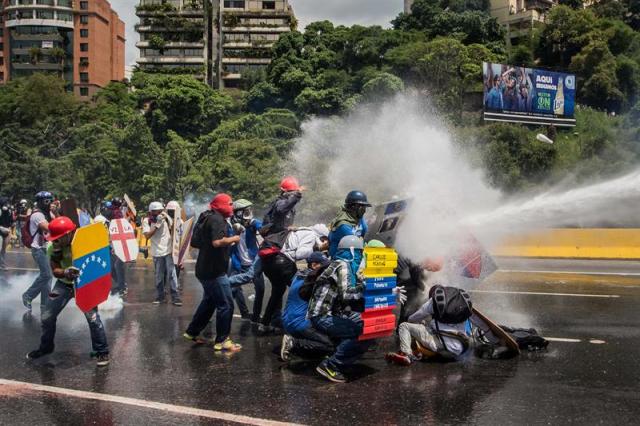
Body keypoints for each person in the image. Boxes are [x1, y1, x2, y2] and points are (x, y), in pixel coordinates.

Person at [26, 216, 110, 366]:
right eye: (54, 238)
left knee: (93, 318)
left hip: (84, 284)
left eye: (59, 238)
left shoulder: (85, 241)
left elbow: (98, 258)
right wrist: (65, 272)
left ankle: (102, 351)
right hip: (63, 284)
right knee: (47, 316)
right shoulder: (53, 247)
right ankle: (46, 347)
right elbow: (55, 270)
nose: (55, 241)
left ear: (69, 234)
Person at [307, 235, 371, 383]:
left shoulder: (341, 263)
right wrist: (366, 287)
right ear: (353, 251)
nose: (360, 257)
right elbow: (347, 294)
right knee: (361, 332)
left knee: (364, 323)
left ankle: (340, 355)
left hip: (330, 313)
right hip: (322, 315)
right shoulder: (343, 265)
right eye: (360, 253)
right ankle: (331, 365)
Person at [183, 194, 242, 352]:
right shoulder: (217, 219)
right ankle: (222, 341)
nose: (231, 207)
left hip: (204, 268)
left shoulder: (205, 216)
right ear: (222, 205)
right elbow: (217, 242)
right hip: (214, 271)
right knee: (226, 304)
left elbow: (196, 242)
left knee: (209, 303)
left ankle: (192, 332)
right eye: (229, 204)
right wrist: (234, 238)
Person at [259, 224, 330, 333]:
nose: (325, 242)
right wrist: (319, 248)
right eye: (324, 239)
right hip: (283, 263)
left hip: (269, 263)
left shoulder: (300, 231)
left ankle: (264, 324)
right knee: (302, 288)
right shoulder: (311, 235)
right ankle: (297, 323)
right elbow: (300, 253)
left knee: (277, 292)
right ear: (321, 236)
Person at [385, 285, 473, 366]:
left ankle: (407, 354)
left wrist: (410, 319)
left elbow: (413, 319)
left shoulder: (433, 302)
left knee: (404, 326)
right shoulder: (463, 304)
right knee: (431, 328)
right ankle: (423, 354)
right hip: (460, 349)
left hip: (441, 347)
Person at [280, 251, 334, 362]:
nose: (326, 269)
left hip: (287, 321)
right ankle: (294, 344)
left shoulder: (298, 275)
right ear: (314, 265)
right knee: (330, 346)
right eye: (323, 266)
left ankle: (301, 349)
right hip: (300, 324)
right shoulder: (313, 280)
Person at [229, 199, 264, 322]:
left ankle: (255, 316)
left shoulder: (253, 224)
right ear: (238, 213)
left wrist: (257, 225)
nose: (248, 214)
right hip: (237, 263)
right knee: (233, 289)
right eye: (245, 211)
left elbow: (263, 228)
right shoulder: (230, 226)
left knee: (260, 289)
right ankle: (243, 312)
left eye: (249, 210)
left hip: (254, 263)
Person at [142, 201, 181, 306]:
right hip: (156, 252)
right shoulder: (147, 221)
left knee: (172, 274)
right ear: (150, 212)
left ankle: (175, 297)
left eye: (160, 211)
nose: (158, 214)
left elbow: (175, 230)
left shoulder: (166, 218)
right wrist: (156, 225)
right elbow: (147, 236)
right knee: (159, 275)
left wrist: (169, 219)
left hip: (168, 250)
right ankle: (160, 296)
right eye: (155, 212)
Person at [22, 191, 54, 313]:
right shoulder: (37, 215)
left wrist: (56, 211)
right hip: (39, 249)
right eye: (47, 201)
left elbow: (56, 221)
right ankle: (28, 295)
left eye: (51, 200)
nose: (49, 203)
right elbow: (49, 227)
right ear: (40, 202)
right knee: (46, 275)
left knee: (48, 277)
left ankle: (45, 304)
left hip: (47, 248)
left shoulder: (47, 213)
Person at [328, 191, 371, 258]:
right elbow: (355, 243)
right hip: (340, 259)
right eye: (362, 207)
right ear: (354, 207)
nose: (364, 210)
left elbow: (365, 232)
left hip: (354, 255)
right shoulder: (343, 225)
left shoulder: (358, 217)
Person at [0, 196, 13, 270]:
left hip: (7, 232)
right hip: (0, 231)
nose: (7, 204)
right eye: (5, 202)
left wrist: (9, 229)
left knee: (3, 250)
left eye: (7, 202)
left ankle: (2, 265)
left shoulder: (9, 211)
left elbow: (11, 221)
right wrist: (1, 228)